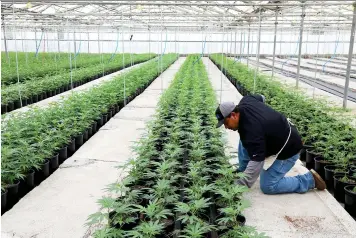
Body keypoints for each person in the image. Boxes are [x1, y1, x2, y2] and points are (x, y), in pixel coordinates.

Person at [215, 94, 326, 194]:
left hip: (289, 149)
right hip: (283, 133)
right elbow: (261, 97)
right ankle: (242, 170)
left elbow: (257, 161)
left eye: (225, 123)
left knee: (268, 186)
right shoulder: (247, 100)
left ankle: (309, 180)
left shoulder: (252, 132)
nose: (226, 127)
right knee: (244, 139)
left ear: (233, 115)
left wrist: (239, 185)